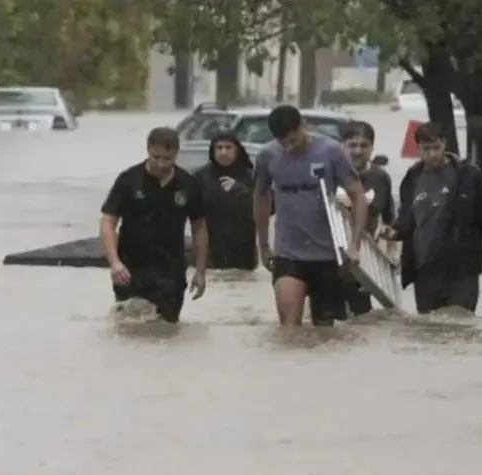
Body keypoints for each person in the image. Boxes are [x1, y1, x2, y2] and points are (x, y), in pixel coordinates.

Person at [253, 105, 368, 327]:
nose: (288, 146)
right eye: (282, 142)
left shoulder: (331, 151)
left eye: (292, 140)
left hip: (327, 255)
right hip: (288, 253)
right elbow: (260, 197)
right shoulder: (267, 155)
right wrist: (263, 244)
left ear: (302, 126)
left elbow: (358, 195)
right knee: (289, 326)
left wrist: (355, 243)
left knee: (324, 333)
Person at [376, 122, 482, 314]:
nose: (432, 154)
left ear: (444, 144)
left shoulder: (468, 175)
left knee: (460, 326)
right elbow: (407, 221)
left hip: (461, 271)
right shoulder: (413, 177)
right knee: (428, 330)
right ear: (418, 148)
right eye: (426, 149)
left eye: (436, 148)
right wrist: (392, 231)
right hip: (424, 271)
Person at [100, 127, 208, 323]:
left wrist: (200, 271)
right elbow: (108, 221)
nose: (160, 164)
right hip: (130, 269)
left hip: (171, 271)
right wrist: (114, 262)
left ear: (176, 153)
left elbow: (199, 227)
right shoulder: (129, 180)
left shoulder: (189, 184)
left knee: (165, 332)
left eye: (167, 158)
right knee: (129, 330)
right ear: (147, 150)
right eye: (155, 157)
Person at [337, 120, 396, 315]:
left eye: (364, 145)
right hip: (329, 259)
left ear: (372, 148)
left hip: (363, 263)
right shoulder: (331, 175)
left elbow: (389, 221)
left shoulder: (380, 178)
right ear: (342, 146)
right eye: (352, 145)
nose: (358, 151)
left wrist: (391, 257)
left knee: (361, 321)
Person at [193, 131, 257, 270]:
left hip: (243, 248)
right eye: (219, 147)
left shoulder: (250, 176)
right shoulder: (201, 176)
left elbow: (269, 207)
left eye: (228, 147)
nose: (223, 152)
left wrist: (239, 190)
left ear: (237, 150)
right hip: (211, 247)